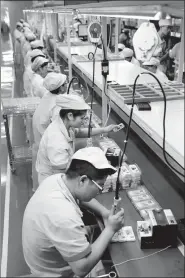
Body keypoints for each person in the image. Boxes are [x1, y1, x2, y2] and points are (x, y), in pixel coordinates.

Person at [22, 146, 124, 277]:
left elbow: (80, 197)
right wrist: (110, 229)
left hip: (48, 257)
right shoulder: (63, 215)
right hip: (55, 273)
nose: (100, 192)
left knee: (98, 233)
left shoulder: (58, 180)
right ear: (83, 180)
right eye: (100, 186)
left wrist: (104, 212)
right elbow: (81, 269)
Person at [36, 94, 123, 185]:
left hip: (62, 171)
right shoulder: (57, 141)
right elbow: (61, 175)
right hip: (53, 182)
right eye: (82, 118)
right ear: (70, 116)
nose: (84, 122)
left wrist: (104, 129)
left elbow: (79, 132)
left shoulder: (64, 124)